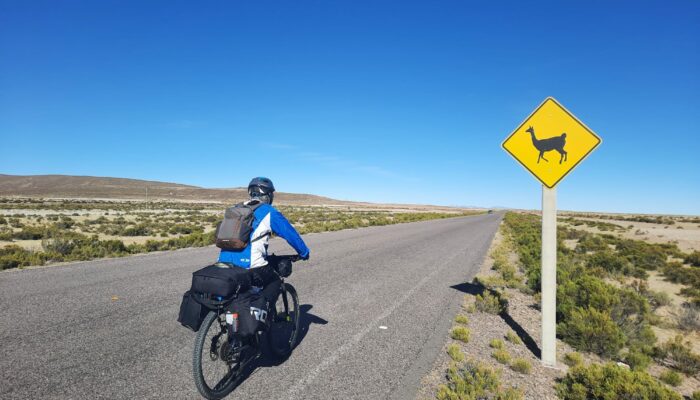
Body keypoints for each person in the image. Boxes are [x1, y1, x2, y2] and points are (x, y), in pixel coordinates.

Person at [218, 177, 310, 288]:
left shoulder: (235, 208)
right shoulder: (268, 212)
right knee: (275, 282)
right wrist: (304, 252)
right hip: (250, 265)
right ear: (268, 195)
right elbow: (290, 234)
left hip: (222, 263)